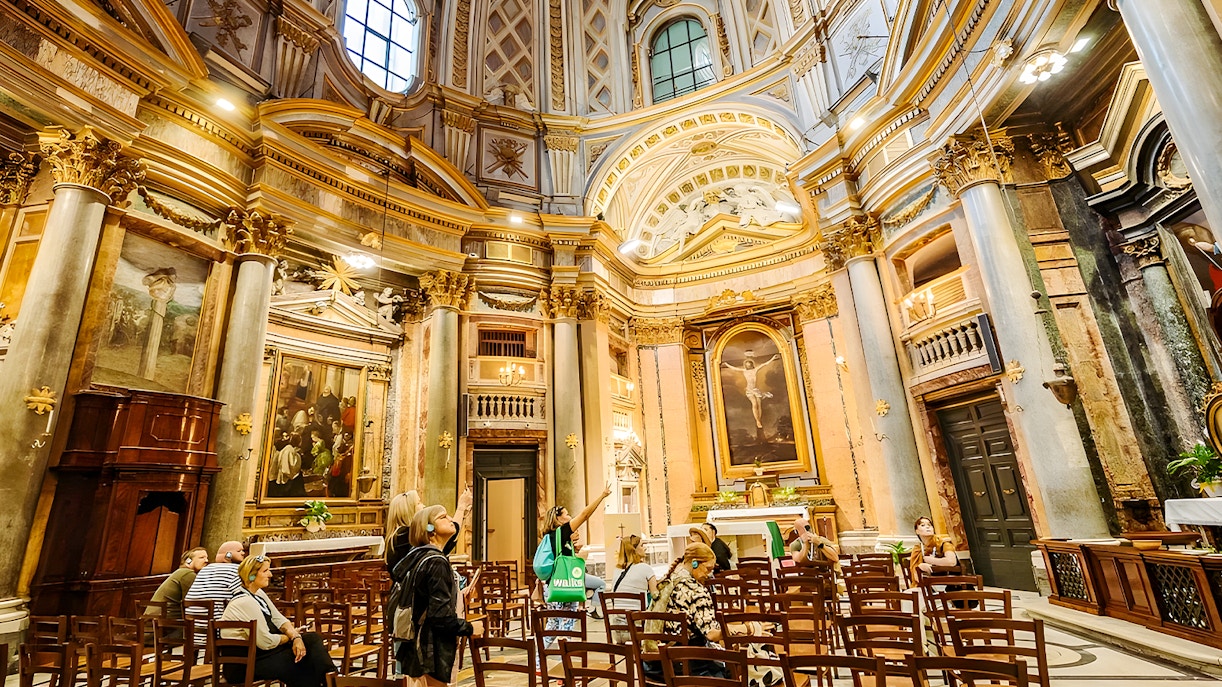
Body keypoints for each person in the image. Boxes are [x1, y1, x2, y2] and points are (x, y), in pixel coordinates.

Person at [397, 506, 482, 687]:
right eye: (443, 517)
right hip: (429, 651)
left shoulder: (419, 557)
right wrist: (470, 627)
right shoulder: (436, 562)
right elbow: (439, 618)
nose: (450, 519)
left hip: (415, 649)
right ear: (429, 529)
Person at [219, 554, 335, 687]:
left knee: (311, 639)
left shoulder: (258, 593)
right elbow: (266, 642)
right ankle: (332, 682)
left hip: (261, 655)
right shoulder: (244, 601)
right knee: (301, 661)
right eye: (265, 571)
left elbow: (278, 619)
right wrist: (289, 638)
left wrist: (296, 637)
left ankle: (331, 678)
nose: (270, 575)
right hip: (243, 665)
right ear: (251, 575)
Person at [538, 484, 612, 640]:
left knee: (553, 628)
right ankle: (564, 661)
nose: (570, 516)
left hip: (553, 585)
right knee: (566, 629)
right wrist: (602, 495)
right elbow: (585, 514)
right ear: (558, 518)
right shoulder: (563, 531)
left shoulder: (550, 536)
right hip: (565, 584)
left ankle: (538, 661)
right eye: (566, 514)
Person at [643, 543, 726, 680]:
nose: (709, 574)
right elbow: (711, 634)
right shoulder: (694, 590)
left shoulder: (667, 580)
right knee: (733, 667)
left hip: (656, 662)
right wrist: (747, 628)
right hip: (685, 664)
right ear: (694, 563)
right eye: (708, 568)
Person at [608, 534, 658, 642]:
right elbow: (656, 596)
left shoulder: (616, 570)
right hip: (638, 632)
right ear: (634, 549)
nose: (644, 548)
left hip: (618, 631)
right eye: (641, 545)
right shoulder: (646, 569)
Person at [184, 540, 245, 620]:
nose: (243, 553)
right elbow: (245, 596)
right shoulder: (236, 570)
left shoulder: (205, 569)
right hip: (216, 627)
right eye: (239, 551)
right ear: (228, 555)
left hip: (193, 626)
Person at [721, 353, 780, 431]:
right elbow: (734, 368)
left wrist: (773, 358)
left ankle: (759, 420)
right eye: (747, 365)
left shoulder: (755, 370)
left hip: (755, 389)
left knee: (759, 404)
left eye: (749, 364)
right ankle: (757, 421)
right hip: (749, 390)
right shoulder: (744, 371)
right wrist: (727, 364)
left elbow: (764, 364)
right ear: (745, 365)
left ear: (751, 365)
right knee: (754, 404)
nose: (748, 366)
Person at [147, 547, 208, 621]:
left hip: (155, 620)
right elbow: (192, 602)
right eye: (201, 558)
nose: (206, 561)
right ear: (189, 561)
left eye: (206, 557)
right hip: (164, 623)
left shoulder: (181, 572)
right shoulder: (188, 574)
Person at [909, 516, 960, 584]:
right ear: (917, 531)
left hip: (949, 583)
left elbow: (951, 562)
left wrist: (931, 560)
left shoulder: (943, 543)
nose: (927, 527)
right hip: (927, 584)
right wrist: (920, 567)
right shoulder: (917, 549)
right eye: (923, 525)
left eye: (929, 525)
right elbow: (915, 573)